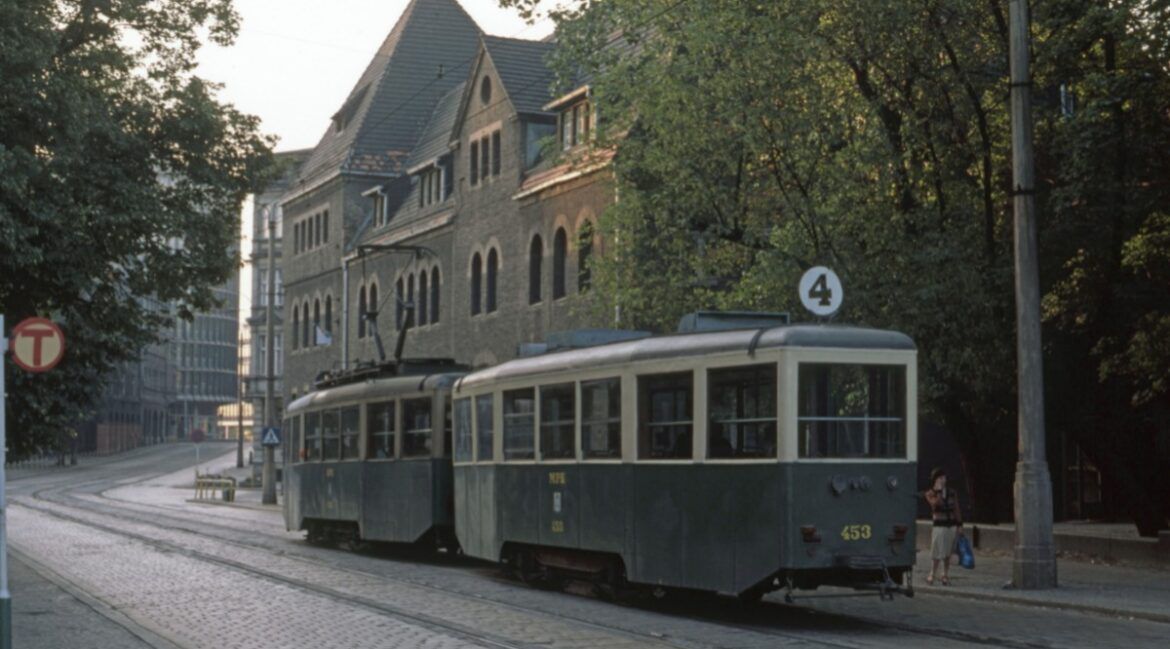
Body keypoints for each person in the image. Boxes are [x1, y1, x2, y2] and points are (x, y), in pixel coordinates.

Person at [923, 467, 963, 585]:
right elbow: (935, 505)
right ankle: (932, 573)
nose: (942, 480)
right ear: (935, 480)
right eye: (940, 478)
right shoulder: (930, 493)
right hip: (939, 526)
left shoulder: (951, 492)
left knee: (947, 552)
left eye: (944, 477)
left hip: (950, 525)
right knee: (936, 550)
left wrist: (959, 524)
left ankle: (945, 574)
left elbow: (956, 508)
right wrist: (939, 492)